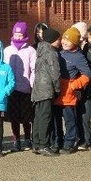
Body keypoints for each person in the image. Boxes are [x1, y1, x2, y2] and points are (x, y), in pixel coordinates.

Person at [58, 27, 91, 151]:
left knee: (70, 120)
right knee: (59, 119)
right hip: (58, 92)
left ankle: (70, 143)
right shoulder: (60, 52)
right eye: (63, 39)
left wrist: (74, 85)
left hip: (69, 93)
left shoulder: (78, 56)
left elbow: (87, 74)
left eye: (68, 40)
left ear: (74, 42)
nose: (64, 42)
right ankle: (59, 141)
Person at [3, 21, 36, 151]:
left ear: (25, 35)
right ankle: (16, 139)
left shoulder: (30, 50)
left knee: (27, 116)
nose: (18, 37)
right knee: (14, 116)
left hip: (26, 88)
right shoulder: (7, 50)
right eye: (16, 34)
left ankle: (27, 138)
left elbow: (34, 69)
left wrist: (32, 83)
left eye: (20, 35)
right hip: (11, 89)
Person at [31, 23, 63, 156]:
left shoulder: (41, 50)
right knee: (45, 117)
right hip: (46, 89)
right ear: (52, 40)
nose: (60, 41)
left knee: (38, 117)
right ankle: (44, 145)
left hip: (38, 89)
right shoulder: (51, 53)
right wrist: (57, 89)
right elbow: (55, 73)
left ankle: (37, 144)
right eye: (58, 39)